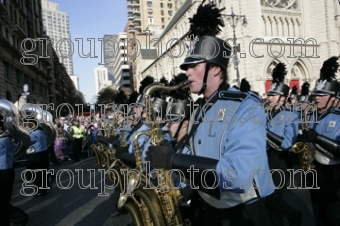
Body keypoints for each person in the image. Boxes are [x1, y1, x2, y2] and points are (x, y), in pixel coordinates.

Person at [145, 2, 273, 225]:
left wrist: (173, 159)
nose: (187, 72)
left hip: (241, 212)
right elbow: (198, 157)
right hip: (207, 206)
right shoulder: (200, 109)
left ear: (215, 68)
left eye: (194, 66)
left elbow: (239, 174)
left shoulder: (246, 105)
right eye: (186, 67)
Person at [302, 56, 340, 226]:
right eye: (316, 93)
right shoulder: (311, 115)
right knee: (319, 214)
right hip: (315, 170)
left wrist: (317, 138)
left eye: (322, 94)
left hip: (335, 174)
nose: (317, 97)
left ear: (334, 97)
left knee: (334, 216)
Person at [265, 63, 302, 226]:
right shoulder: (265, 113)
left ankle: (295, 215)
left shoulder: (291, 116)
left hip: (281, 161)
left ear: (284, 97)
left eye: (274, 95)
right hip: (266, 160)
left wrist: (265, 132)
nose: (270, 97)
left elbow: (287, 143)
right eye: (270, 94)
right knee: (268, 200)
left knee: (273, 198)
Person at [0, 111, 29, 226]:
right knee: (3, 201)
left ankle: (20, 217)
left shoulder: (3, 140)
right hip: (5, 171)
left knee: (2, 202)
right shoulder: (5, 137)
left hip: (3, 172)